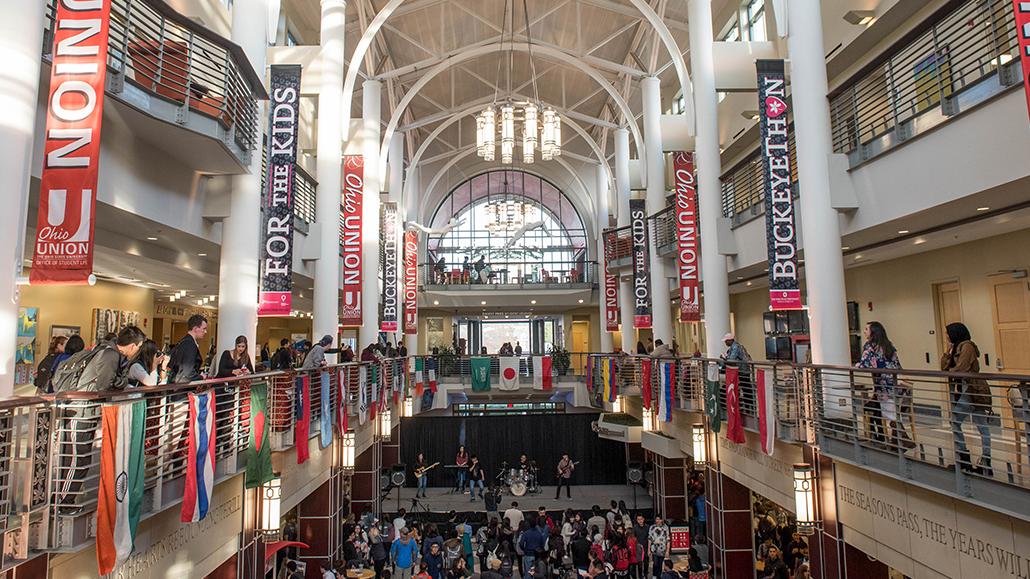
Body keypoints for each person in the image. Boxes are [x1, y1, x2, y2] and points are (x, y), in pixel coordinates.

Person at [941, 322, 994, 476]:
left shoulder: (967, 347)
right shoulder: (955, 347)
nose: (946, 336)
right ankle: (974, 460)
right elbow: (944, 366)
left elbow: (961, 368)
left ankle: (974, 459)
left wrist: (951, 370)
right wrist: (948, 352)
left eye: (948, 333)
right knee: (978, 425)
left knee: (959, 421)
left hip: (972, 390)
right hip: (965, 389)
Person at [856, 321, 914, 450]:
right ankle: (897, 441)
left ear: (873, 332)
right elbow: (897, 365)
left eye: (866, 329)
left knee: (889, 413)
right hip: (895, 384)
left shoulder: (870, 346)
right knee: (891, 411)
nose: (864, 331)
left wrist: (857, 366)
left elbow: (864, 364)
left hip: (882, 385)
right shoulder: (888, 345)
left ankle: (902, 440)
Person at [56, 326, 146, 392]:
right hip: (88, 405)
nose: (139, 350)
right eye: (139, 347)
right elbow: (104, 385)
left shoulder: (104, 348)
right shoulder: (111, 355)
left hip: (83, 400)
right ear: (132, 346)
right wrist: (123, 381)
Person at [167, 314, 207, 383]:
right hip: (182, 388)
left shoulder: (183, 341)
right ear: (195, 329)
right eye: (204, 329)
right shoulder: (190, 344)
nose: (205, 332)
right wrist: (201, 377)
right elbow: (188, 372)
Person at [720, 333, 754, 409]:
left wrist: (724, 358)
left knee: (746, 390)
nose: (725, 343)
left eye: (726, 341)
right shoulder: (732, 347)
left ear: (730, 340)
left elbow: (731, 359)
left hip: (743, 371)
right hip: (742, 371)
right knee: (746, 389)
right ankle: (749, 407)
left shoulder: (736, 347)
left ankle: (750, 407)